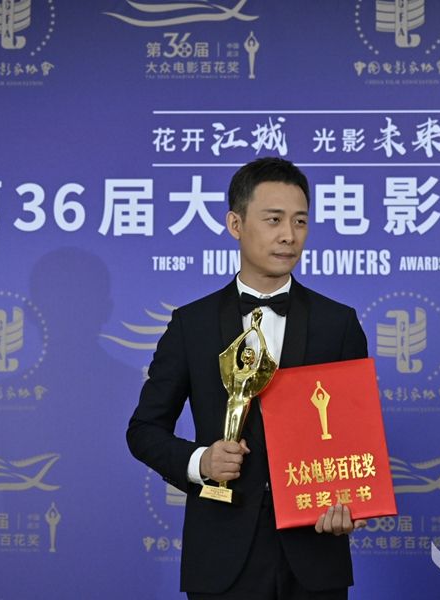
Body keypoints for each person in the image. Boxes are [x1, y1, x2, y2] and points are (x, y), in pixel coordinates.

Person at [127, 157, 369, 599]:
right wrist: (201, 462)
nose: (289, 235)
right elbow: (143, 430)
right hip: (221, 558)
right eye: (274, 220)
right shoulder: (192, 325)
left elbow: (354, 438)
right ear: (235, 224)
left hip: (315, 555)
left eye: (300, 221)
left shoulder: (339, 324)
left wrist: (350, 500)